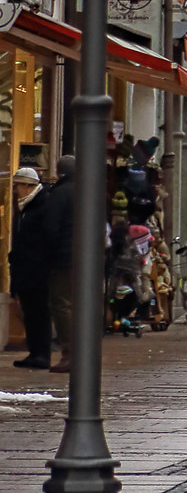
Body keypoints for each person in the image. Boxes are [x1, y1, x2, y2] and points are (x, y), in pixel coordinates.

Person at [9, 168, 50, 369]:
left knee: (38, 312)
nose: (16, 191)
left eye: (18, 186)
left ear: (28, 186)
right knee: (30, 312)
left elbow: (43, 238)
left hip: (37, 268)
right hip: (26, 267)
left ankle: (41, 353)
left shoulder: (40, 206)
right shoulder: (24, 208)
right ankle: (36, 352)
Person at [38, 153, 75, 373]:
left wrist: (47, 255)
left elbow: (50, 228)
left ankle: (70, 353)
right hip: (85, 257)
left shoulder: (60, 193)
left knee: (62, 304)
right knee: (78, 304)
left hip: (63, 257)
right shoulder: (89, 191)